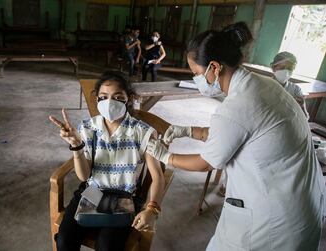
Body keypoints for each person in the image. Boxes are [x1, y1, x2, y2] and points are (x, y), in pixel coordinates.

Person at [146, 22, 325, 250]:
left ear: (214, 67)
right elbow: (241, 134)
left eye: (197, 74)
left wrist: (166, 157)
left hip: (273, 222)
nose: (197, 80)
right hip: (303, 205)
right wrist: (189, 131)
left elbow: (205, 163)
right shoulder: (265, 85)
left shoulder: (237, 106)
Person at [49, 71, 165, 251]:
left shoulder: (143, 133)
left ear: (129, 99)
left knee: (108, 246)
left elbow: (157, 176)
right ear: (97, 100)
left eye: (118, 97)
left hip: (123, 199)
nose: (109, 102)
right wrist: (77, 145)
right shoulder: (88, 127)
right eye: (103, 97)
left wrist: (152, 209)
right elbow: (84, 176)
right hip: (91, 192)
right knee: (64, 240)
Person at [271, 51, 309, 118]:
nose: (286, 72)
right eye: (282, 68)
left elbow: (305, 118)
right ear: (273, 68)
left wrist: (302, 107)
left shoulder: (295, 90)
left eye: (290, 69)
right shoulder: (264, 84)